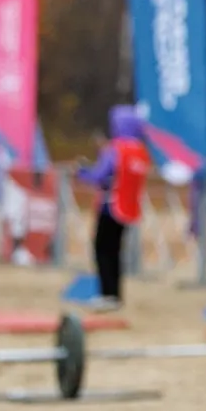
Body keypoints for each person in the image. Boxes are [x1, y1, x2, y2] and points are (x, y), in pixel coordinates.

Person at [75, 106, 153, 309]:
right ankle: (116, 295)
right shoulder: (141, 151)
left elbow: (99, 176)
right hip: (128, 209)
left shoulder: (116, 149)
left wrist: (82, 171)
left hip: (110, 206)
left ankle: (107, 294)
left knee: (102, 249)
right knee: (116, 252)